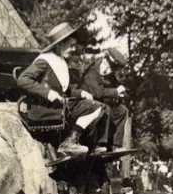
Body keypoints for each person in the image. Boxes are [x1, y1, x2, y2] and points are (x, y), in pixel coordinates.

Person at [17, 22, 108, 156]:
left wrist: (80, 92)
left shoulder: (60, 60)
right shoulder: (44, 61)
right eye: (71, 46)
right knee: (94, 107)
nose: (73, 49)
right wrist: (47, 93)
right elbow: (23, 80)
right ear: (59, 45)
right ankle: (69, 142)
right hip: (43, 108)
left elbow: (63, 90)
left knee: (99, 107)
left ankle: (76, 142)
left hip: (57, 105)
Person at [80, 47, 129, 152]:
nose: (108, 71)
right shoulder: (92, 71)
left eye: (112, 69)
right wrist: (115, 92)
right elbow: (96, 92)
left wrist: (121, 94)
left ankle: (114, 145)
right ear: (104, 59)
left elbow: (115, 87)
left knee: (122, 110)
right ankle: (100, 145)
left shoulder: (109, 74)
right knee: (105, 108)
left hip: (101, 105)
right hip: (86, 105)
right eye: (108, 66)